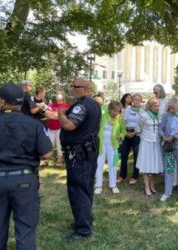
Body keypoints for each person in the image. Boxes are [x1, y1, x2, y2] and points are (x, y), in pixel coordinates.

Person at [0, 83, 52, 250]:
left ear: (2, 102)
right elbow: (47, 154)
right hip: (25, 181)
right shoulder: (34, 124)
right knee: (25, 231)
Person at [59, 77, 101, 241]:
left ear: (84, 88)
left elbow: (69, 125)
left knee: (78, 189)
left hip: (79, 154)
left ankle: (83, 229)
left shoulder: (83, 105)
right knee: (86, 187)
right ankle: (85, 220)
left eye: (75, 86)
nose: (72, 88)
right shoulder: (94, 104)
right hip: (87, 152)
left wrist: (61, 114)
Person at [95, 100, 125, 195]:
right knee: (99, 164)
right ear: (110, 109)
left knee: (113, 164)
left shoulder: (120, 119)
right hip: (101, 145)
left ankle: (113, 185)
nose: (116, 113)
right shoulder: (103, 116)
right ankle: (98, 185)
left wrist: (120, 136)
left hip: (113, 145)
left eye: (118, 111)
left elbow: (123, 131)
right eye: (114, 111)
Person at [135, 98, 163, 196]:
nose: (157, 108)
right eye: (155, 106)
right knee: (146, 166)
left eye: (158, 105)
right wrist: (142, 136)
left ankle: (152, 185)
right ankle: (146, 187)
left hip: (156, 143)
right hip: (146, 143)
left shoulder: (159, 115)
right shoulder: (144, 115)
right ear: (150, 106)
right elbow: (138, 128)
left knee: (154, 165)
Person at [118, 93, 142, 185]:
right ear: (132, 101)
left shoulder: (142, 111)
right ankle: (122, 176)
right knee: (124, 155)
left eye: (138, 100)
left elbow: (141, 124)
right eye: (135, 99)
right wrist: (126, 133)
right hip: (126, 134)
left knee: (136, 155)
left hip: (137, 135)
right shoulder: (127, 109)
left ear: (141, 101)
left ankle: (134, 176)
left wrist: (135, 132)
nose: (136, 101)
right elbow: (123, 122)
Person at [45, 92, 69, 167]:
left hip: (60, 128)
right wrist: (56, 115)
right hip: (50, 128)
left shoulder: (65, 105)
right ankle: (47, 160)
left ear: (63, 96)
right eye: (57, 94)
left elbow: (62, 116)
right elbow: (46, 114)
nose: (58, 95)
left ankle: (59, 161)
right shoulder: (51, 104)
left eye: (60, 94)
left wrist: (53, 115)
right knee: (48, 144)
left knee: (59, 145)